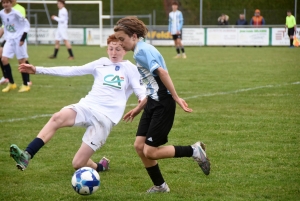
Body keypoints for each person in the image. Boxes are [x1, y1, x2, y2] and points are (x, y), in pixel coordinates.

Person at [9, 34, 146, 173]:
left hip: (105, 118)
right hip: (86, 107)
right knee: (57, 117)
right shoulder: (101, 63)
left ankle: (100, 166)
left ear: (125, 50)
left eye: (118, 49)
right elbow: (72, 70)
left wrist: (141, 102)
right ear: (107, 49)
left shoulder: (130, 69)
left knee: (78, 163)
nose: (114, 53)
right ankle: (27, 155)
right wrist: (38, 70)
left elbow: (141, 92)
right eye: (111, 49)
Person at [114, 16, 210, 193]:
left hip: (162, 104)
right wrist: (138, 108)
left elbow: (162, 73)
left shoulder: (142, 51)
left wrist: (175, 97)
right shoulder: (139, 50)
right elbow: (153, 86)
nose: (120, 44)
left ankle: (193, 150)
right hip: (152, 102)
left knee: (150, 151)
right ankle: (160, 186)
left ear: (134, 36)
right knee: (138, 146)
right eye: (117, 39)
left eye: (122, 39)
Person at [0, 0, 31, 92]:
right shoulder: (1, 13)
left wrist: (23, 38)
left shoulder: (16, 13)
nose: (5, 4)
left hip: (18, 39)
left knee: (21, 61)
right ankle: (11, 83)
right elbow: (5, 25)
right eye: (3, 3)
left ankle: (26, 85)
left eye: (7, 2)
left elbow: (27, 24)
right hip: (9, 39)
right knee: (4, 59)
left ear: (11, 3)